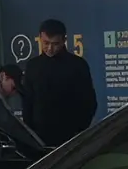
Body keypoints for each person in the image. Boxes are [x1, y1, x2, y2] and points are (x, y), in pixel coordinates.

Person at [20, 19, 98, 147]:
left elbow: (89, 102)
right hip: (39, 138)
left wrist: (79, 129)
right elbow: (28, 101)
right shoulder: (33, 66)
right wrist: (31, 132)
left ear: (64, 40)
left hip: (70, 136)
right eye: (46, 43)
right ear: (40, 38)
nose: (50, 48)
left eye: (55, 44)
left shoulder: (78, 65)